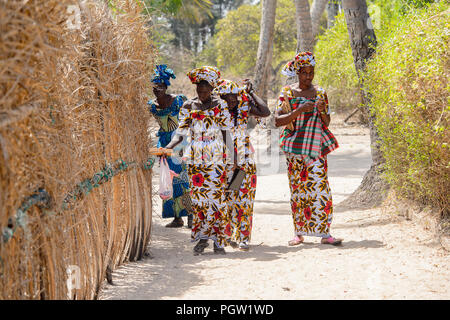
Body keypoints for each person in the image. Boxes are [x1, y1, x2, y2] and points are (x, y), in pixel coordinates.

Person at [274, 52, 343, 246]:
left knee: (321, 189)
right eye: (304, 73)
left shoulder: (320, 92)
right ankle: (299, 233)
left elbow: (327, 123)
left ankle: (325, 233)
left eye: (311, 72)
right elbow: (278, 121)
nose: (308, 77)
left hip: (315, 148)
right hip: (294, 149)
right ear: (297, 72)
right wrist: (299, 111)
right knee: (298, 190)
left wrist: (321, 110)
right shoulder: (287, 93)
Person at [164, 66, 234, 255]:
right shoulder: (188, 106)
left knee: (217, 199)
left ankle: (218, 241)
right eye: (199, 91)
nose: (202, 94)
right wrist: (168, 147)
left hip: (216, 155)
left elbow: (227, 133)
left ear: (212, 89)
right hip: (195, 156)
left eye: (205, 91)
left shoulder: (220, 106)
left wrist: (233, 158)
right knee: (200, 200)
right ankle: (203, 239)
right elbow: (179, 134)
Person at [214, 79, 270, 251]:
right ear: (221, 97)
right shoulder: (216, 113)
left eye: (235, 96)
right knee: (228, 200)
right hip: (225, 163)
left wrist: (250, 92)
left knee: (244, 200)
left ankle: (244, 238)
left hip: (244, 163)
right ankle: (229, 235)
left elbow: (264, 111)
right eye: (227, 97)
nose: (232, 100)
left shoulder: (243, 110)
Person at [148, 64, 193, 228]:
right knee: (169, 178)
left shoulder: (178, 100)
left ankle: (191, 215)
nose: (157, 90)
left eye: (160, 87)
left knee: (183, 179)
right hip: (163, 143)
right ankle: (176, 217)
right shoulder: (151, 105)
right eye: (154, 87)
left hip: (179, 140)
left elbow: (190, 117)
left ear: (166, 87)